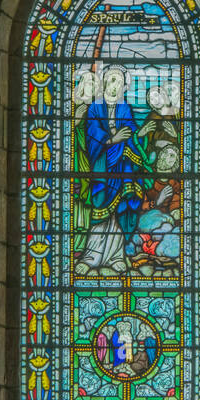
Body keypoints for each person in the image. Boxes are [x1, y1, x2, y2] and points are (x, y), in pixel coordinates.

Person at [74, 66, 153, 274]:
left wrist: (140, 133)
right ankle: (91, 257)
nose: (113, 86)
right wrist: (112, 140)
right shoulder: (95, 108)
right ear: (104, 83)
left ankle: (116, 256)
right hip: (100, 169)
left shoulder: (124, 108)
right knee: (99, 213)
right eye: (110, 80)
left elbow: (132, 135)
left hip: (119, 169)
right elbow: (92, 135)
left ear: (124, 87)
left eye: (118, 82)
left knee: (117, 214)